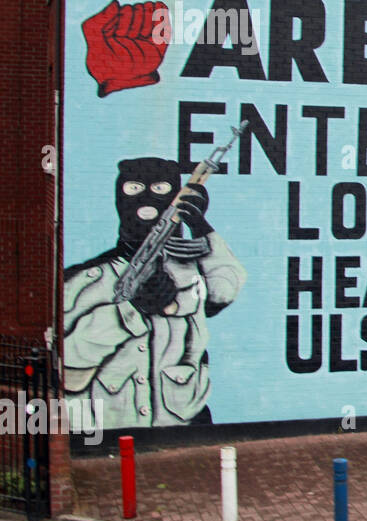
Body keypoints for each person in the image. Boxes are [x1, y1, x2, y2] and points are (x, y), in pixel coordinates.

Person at [63, 157, 246, 430]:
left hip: (183, 422)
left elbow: (225, 289)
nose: (147, 198)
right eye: (134, 189)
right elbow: (69, 369)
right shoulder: (87, 280)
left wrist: (200, 227)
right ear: (120, 198)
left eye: (160, 189)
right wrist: (130, 310)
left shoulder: (189, 270)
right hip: (111, 429)